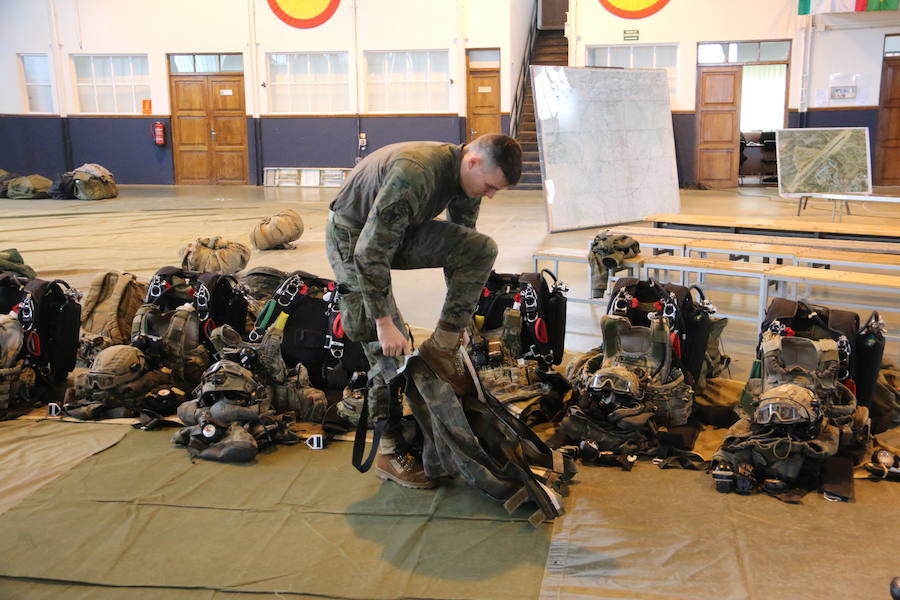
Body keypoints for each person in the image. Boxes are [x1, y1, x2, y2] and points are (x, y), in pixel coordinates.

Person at [325, 134, 522, 489]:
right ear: (473, 161)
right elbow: (370, 253)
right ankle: (389, 449)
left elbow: (463, 246)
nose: (491, 195)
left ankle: (442, 345)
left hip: (398, 232)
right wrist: (384, 322)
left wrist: (456, 322)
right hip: (354, 239)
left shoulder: (468, 181)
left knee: (480, 249)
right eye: (491, 186)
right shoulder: (415, 171)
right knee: (389, 351)